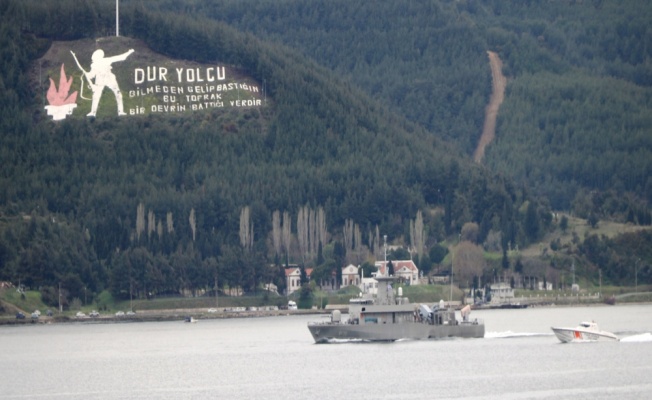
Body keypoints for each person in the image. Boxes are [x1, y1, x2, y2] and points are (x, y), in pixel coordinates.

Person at [84, 48, 134, 117]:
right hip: (100, 79)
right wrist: (88, 74)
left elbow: (121, 57)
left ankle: (121, 111)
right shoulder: (94, 65)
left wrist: (129, 52)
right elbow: (92, 75)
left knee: (118, 93)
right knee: (96, 96)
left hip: (109, 78)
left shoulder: (106, 60)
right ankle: (93, 112)